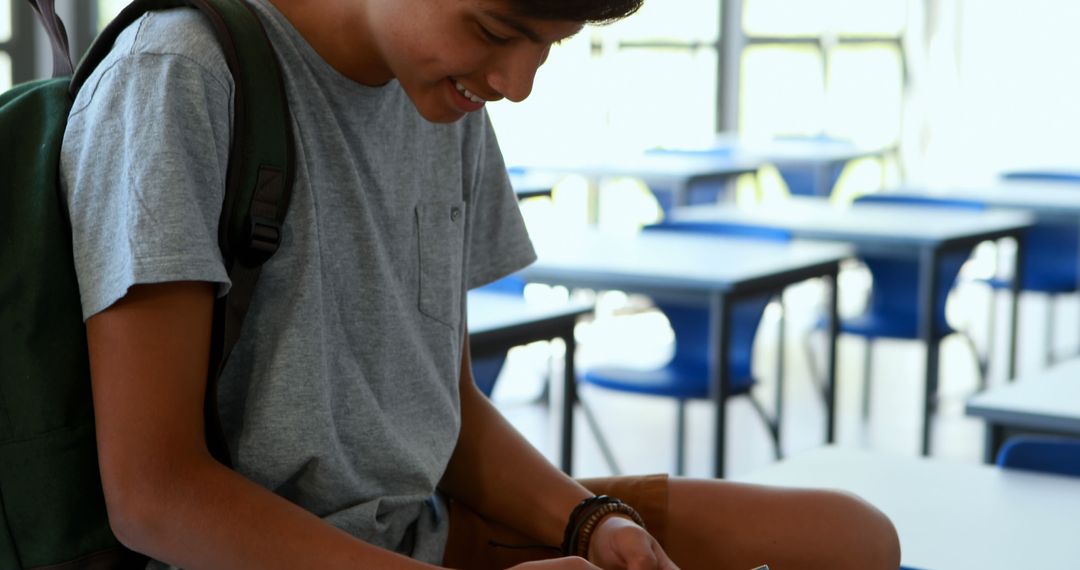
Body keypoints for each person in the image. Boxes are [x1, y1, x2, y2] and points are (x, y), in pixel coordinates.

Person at [60, 0, 901, 568]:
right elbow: (153, 494)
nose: (517, 82)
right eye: (498, 28)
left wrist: (589, 521)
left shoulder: (441, 98)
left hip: (420, 529)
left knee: (854, 539)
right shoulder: (180, 76)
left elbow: (448, 415)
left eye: (549, 44)